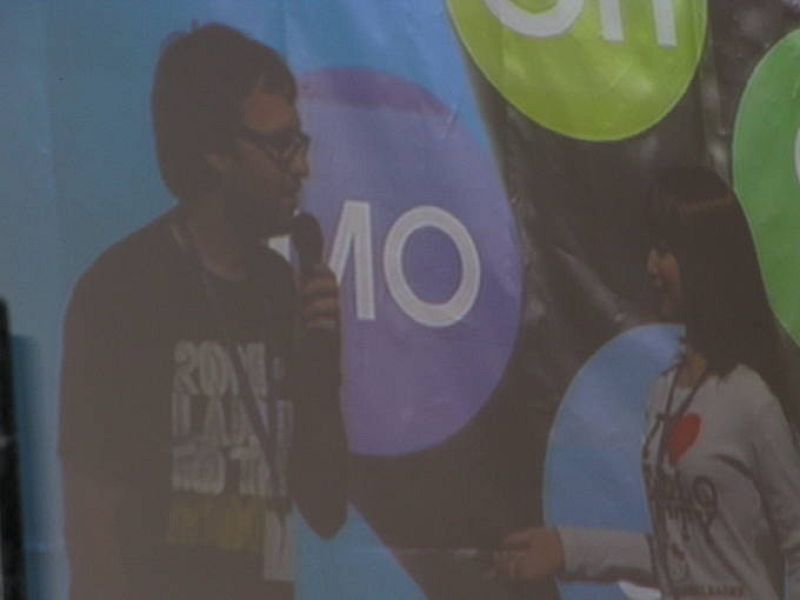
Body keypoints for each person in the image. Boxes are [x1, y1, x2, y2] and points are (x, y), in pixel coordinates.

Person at [59, 23, 347, 600]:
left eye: (300, 143)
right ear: (215, 151)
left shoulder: (280, 290)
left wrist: (321, 365)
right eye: (280, 145)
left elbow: (326, 509)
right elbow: (93, 526)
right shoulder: (122, 290)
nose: (301, 167)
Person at [495, 166, 800, 599]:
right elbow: (677, 559)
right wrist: (566, 548)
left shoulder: (750, 400)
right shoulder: (664, 394)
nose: (650, 267)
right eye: (651, 249)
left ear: (704, 261)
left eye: (665, 250)